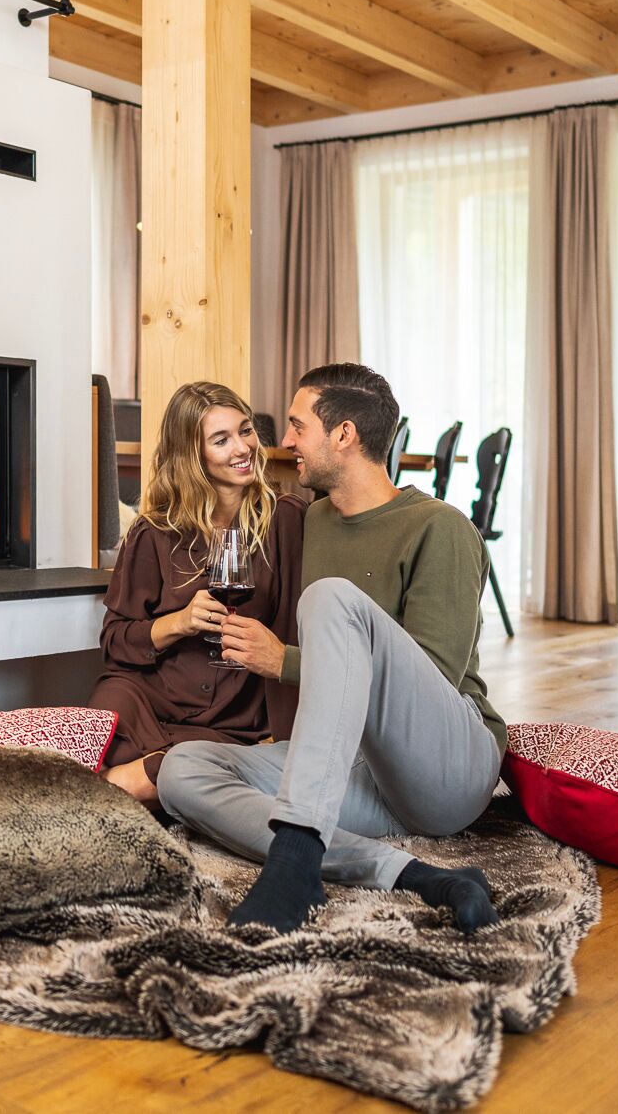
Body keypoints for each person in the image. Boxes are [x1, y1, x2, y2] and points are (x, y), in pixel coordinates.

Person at [159, 363, 508, 935]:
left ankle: (292, 859)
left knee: (329, 599)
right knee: (184, 770)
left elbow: (437, 677)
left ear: (343, 435)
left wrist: (283, 662)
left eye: (297, 426)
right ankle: (420, 877)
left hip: (448, 765)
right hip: (361, 771)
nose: (284, 441)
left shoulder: (439, 527)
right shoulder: (312, 519)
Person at [91, 382, 305, 806]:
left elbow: (298, 627)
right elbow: (115, 643)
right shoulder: (154, 530)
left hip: (234, 714)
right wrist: (179, 622)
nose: (243, 448)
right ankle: (147, 782)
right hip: (145, 696)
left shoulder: (285, 519)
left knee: (162, 775)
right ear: (193, 455)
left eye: (245, 431)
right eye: (221, 440)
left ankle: (137, 784)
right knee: (95, 739)